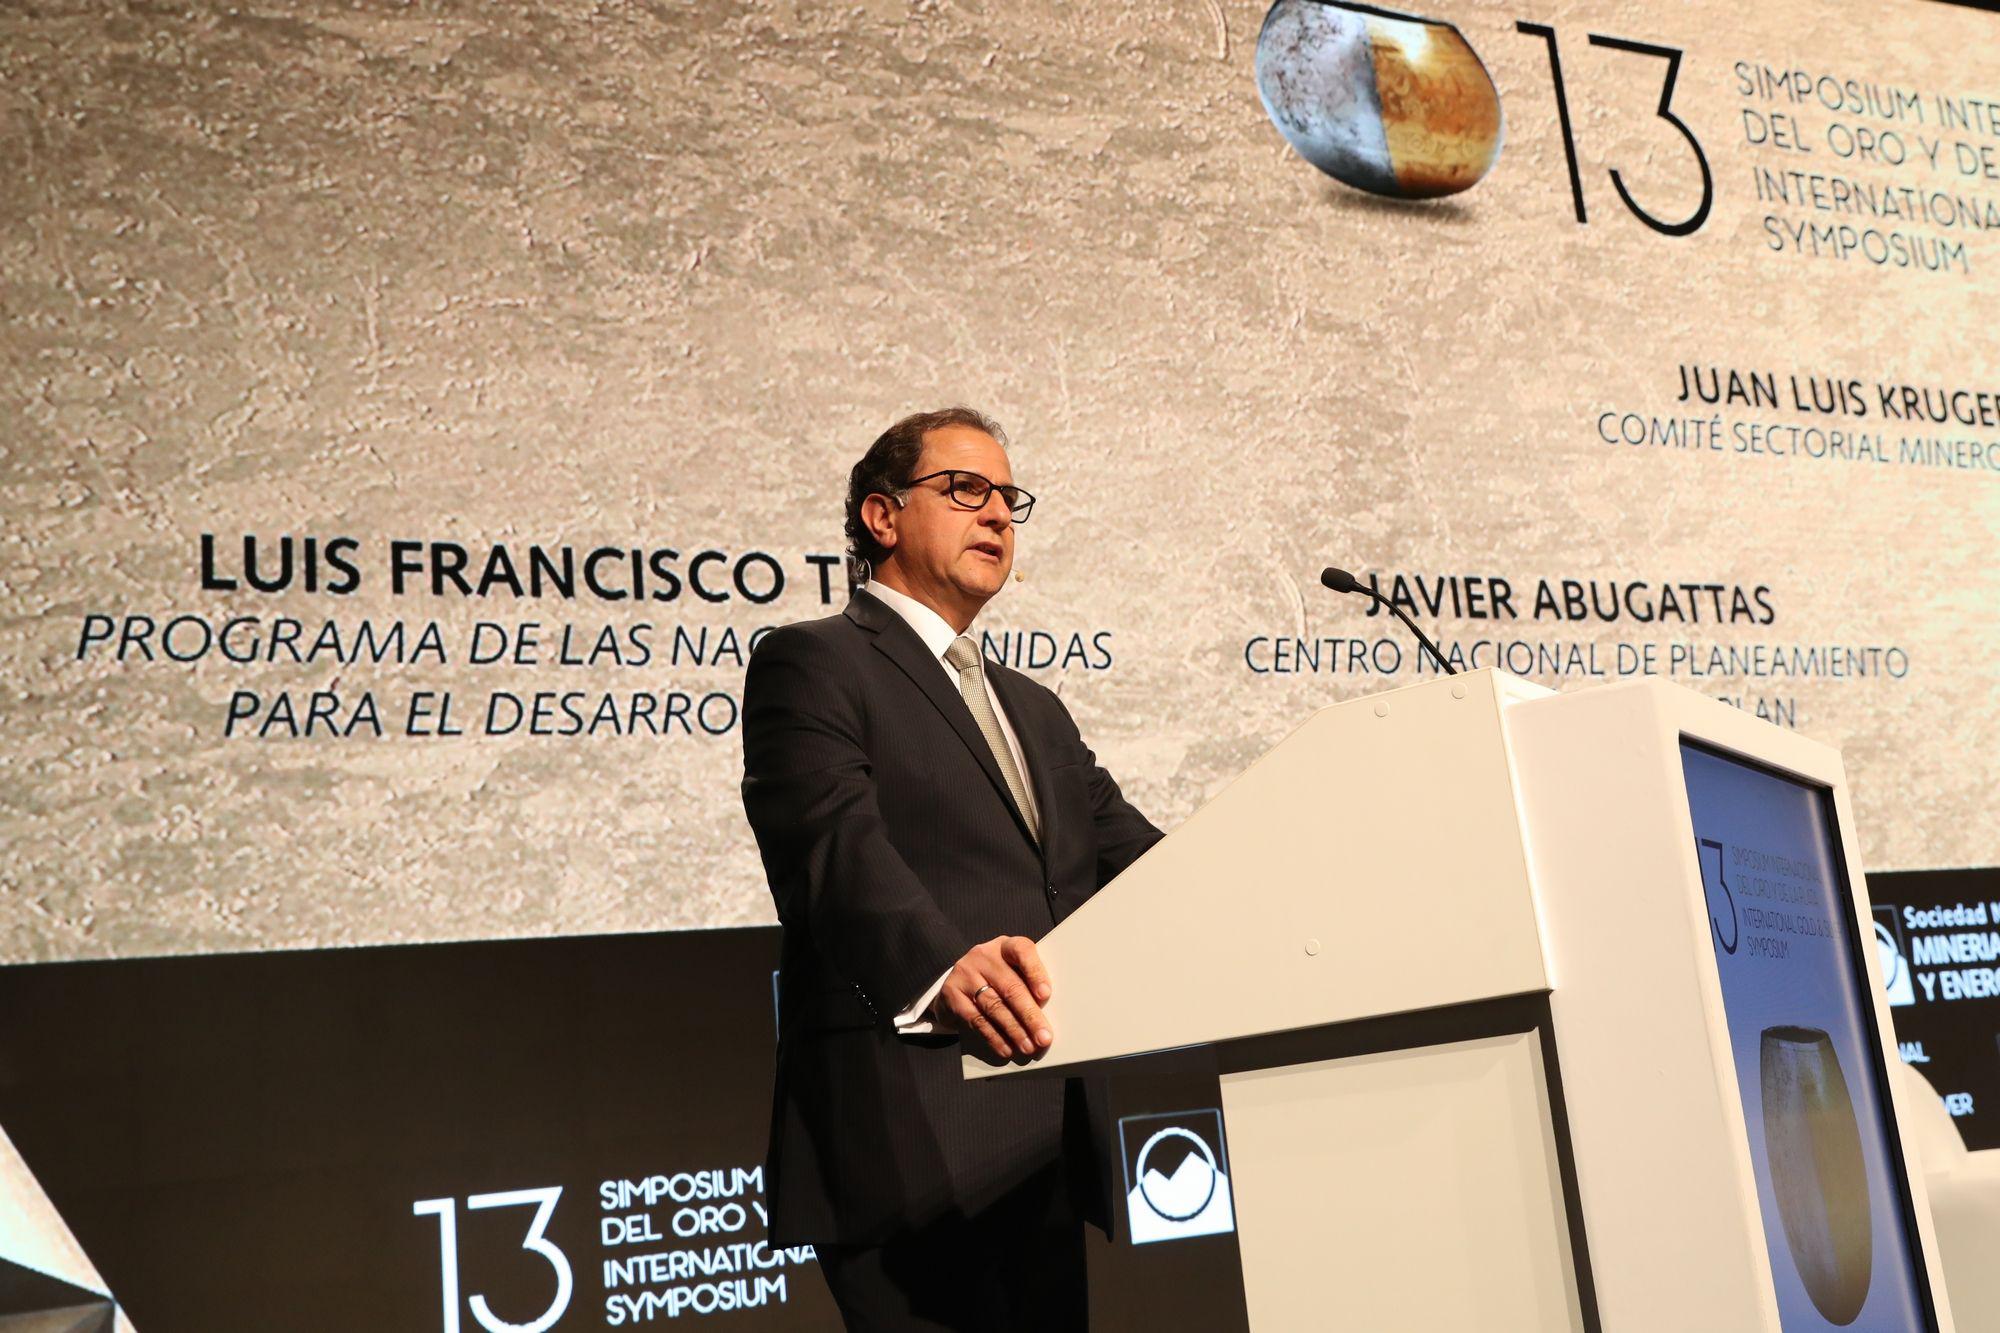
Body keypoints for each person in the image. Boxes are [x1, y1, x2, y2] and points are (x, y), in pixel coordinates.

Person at [740, 406, 1163, 1331]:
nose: (999, 515)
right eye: (965, 490)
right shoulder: (813, 662)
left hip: (1042, 1134)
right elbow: (831, 848)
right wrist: (943, 965)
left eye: (1009, 498)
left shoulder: (1034, 708)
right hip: (905, 1135)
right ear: (881, 516)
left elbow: (1136, 859)